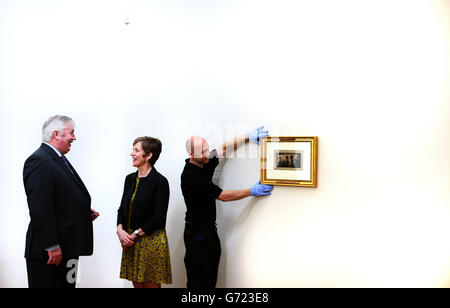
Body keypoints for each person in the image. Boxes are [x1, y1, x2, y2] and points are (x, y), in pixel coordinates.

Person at [181, 126, 274, 288]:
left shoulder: (203, 162)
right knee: (199, 283)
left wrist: (248, 136)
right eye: (202, 152)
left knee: (209, 279)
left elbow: (223, 148)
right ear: (191, 154)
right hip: (198, 236)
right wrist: (251, 191)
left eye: (207, 150)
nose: (207, 155)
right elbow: (223, 196)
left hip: (208, 232)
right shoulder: (191, 176)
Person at [23, 115, 99, 288]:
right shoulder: (39, 161)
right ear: (56, 134)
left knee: (69, 285)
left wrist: (82, 212)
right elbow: (40, 207)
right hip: (51, 253)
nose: (74, 137)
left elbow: (60, 197)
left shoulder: (57, 159)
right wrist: (52, 245)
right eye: (71, 133)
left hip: (70, 250)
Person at [117, 137, 172, 288]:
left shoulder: (160, 181)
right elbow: (122, 208)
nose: (132, 154)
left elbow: (158, 217)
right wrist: (120, 230)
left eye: (136, 150)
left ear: (148, 156)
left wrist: (134, 234)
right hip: (131, 241)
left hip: (151, 242)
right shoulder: (129, 179)